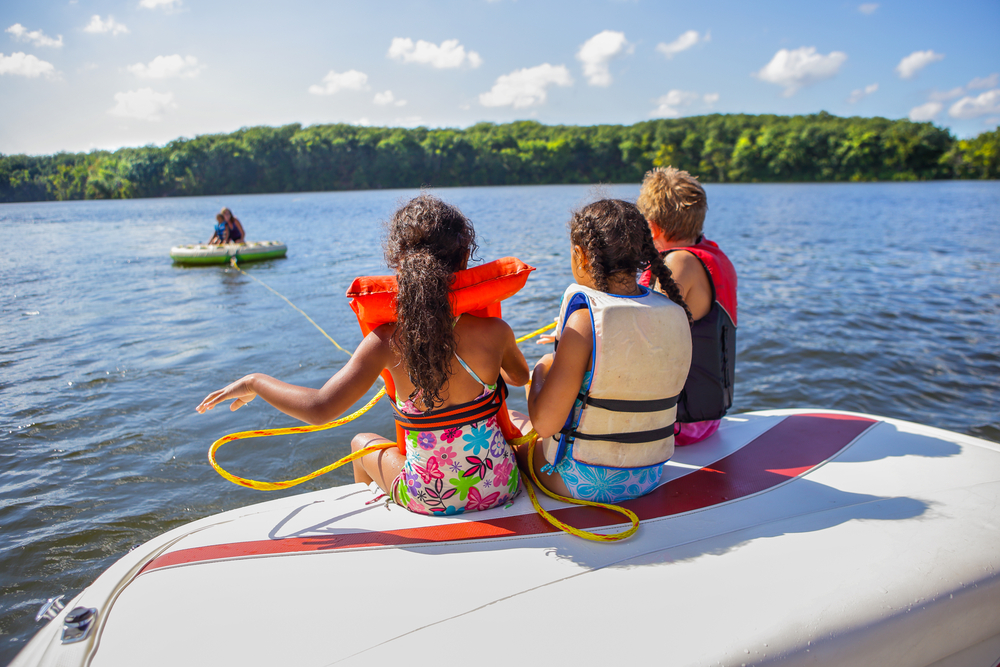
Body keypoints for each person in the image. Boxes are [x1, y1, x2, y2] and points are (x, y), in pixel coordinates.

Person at [196, 195, 530, 516]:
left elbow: (319, 408)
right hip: (499, 485)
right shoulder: (494, 332)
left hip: (429, 497)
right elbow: (519, 378)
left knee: (361, 442)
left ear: (398, 264)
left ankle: (376, 527)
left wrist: (255, 382)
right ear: (463, 262)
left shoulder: (385, 342)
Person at [516, 199, 692, 503]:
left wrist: (540, 370)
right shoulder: (672, 312)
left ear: (580, 255)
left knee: (511, 425)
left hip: (578, 481)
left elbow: (546, 424)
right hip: (648, 475)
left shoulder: (585, 322)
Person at [637, 166, 738, 446]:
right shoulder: (714, 257)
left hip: (678, 423)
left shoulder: (678, 264)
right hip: (705, 419)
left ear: (652, 226)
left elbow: (644, 335)